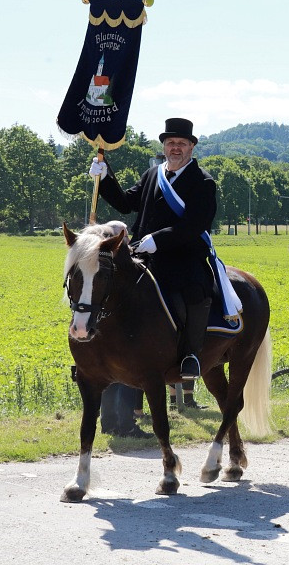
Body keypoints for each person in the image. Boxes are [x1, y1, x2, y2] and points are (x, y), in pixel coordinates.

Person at [90, 117, 216, 381]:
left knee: (196, 289)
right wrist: (105, 178)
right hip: (144, 254)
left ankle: (191, 354)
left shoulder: (203, 182)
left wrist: (160, 238)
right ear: (164, 146)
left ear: (192, 147)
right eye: (171, 143)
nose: (176, 148)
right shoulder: (152, 175)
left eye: (182, 143)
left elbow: (196, 224)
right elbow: (126, 203)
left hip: (183, 256)